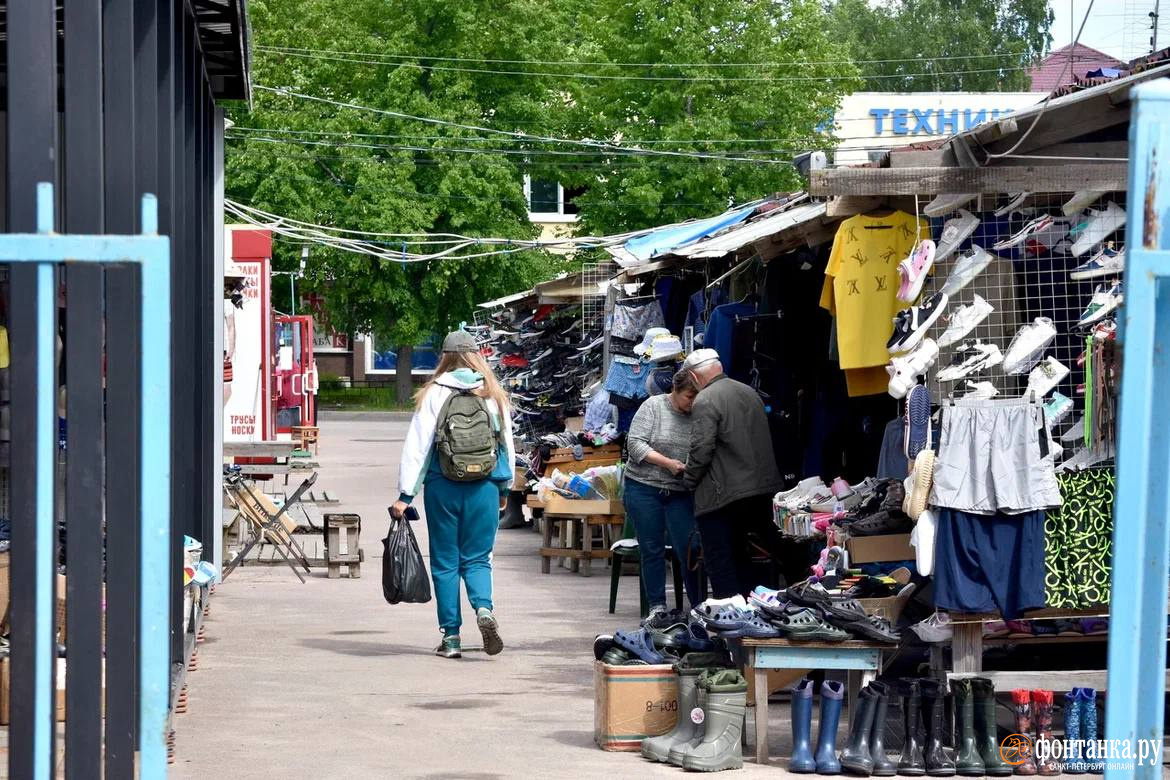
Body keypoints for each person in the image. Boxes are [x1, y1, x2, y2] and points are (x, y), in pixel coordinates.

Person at [392, 330, 515, 659]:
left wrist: (406, 495)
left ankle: (451, 639)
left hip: (442, 486)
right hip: (485, 487)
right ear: (476, 356)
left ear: (443, 357)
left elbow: (417, 448)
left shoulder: (433, 393)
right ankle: (484, 610)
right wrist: (504, 489)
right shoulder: (491, 393)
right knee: (477, 559)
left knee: (446, 562)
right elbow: (507, 447)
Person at [681, 348, 784, 598]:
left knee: (721, 562)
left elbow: (701, 449)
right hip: (760, 489)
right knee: (744, 557)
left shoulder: (706, 399)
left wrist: (689, 479)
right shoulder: (749, 391)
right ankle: (751, 612)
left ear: (694, 377)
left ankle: (730, 621)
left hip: (724, 495)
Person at [623, 370, 703, 617]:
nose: (692, 402)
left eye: (696, 398)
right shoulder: (653, 407)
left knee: (689, 548)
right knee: (652, 548)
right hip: (644, 487)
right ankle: (657, 607)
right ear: (675, 391)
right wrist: (668, 463)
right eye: (689, 396)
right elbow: (635, 444)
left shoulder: (699, 415)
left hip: (679, 491)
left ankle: (698, 606)